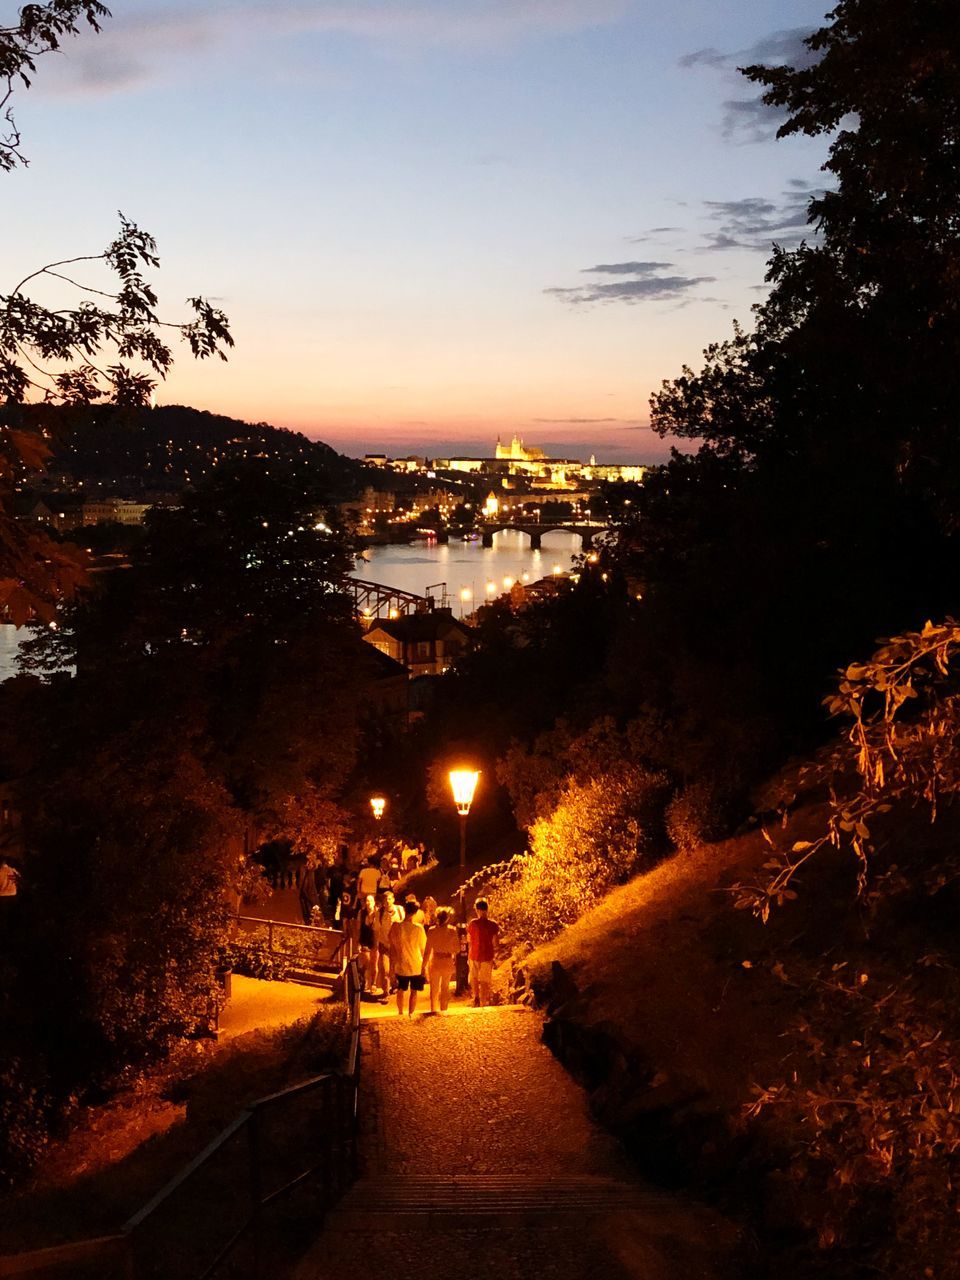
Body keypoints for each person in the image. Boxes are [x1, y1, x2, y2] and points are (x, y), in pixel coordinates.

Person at [388, 898, 427, 1017]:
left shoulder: (396, 926)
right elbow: (423, 948)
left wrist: (391, 966)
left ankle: (400, 1012)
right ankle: (411, 1013)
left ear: (405, 910)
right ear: (416, 912)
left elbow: (392, 946)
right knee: (414, 991)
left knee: (400, 989)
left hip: (401, 963)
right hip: (416, 964)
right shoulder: (419, 928)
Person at [423, 907, 458, 1014]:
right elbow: (457, 949)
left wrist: (423, 965)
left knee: (434, 987)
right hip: (447, 960)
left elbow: (427, 950)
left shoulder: (431, 931)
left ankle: (433, 1009)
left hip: (435, 961)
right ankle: (444, 1009)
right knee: (445, 987)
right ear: (447, 918)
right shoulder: (452, 931)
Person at [467, 898, 500, 1008]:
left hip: (474, 954)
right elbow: (495, 942)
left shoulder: (472, 924)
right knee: (485, 980)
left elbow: (469, 940)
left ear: (477, 910)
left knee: (474, 978)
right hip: (487, 955)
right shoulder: (493, 925)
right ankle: (483, 1001)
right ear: (487, 909)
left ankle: (475, 996)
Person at [375, 888, 404, 998]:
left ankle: (395, 985)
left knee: (395, 967)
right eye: (386, 900)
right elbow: (377, 928)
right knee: (385, 968)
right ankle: (385, 991)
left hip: (396, 944)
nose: (387, 902)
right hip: (384, 944)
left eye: (389, 899)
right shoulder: (380, 913)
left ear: (393, 900)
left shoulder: (400, 910)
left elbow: (404, 925)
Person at [358, 893, 378, 991]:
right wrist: (358, 942)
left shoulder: (378, 913)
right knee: (366, 963)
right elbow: (358, 928)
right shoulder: (361, 913)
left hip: (375, 941)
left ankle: (373, 983)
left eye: (370, 900)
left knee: (374, 963)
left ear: (374, 903)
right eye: (367, 901)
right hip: (364, 940)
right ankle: (366, 982)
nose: (368, 903)